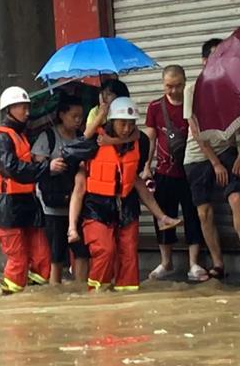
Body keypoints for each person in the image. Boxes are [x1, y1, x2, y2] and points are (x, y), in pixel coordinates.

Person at [67, 97, 182, 291]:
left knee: (129, 254)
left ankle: (127, 298)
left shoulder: (140, 142)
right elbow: (70, 155)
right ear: (111, 121)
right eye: (122, 123)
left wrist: (161, 216)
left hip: (126, 205)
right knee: (105, 250)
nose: (127, 128)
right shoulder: (95, 141)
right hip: (97, 205)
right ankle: (96, 295)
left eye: (131, 124)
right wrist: (72, 227)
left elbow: (136, 180)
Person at [184, 39, 240, 280]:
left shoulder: (233, 85)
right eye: (216, 57)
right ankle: (218, 263)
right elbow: (195, 130)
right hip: (198, 155)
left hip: (228, 150)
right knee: (204, 212)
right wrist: (214, 162)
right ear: (205, 61)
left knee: (237, 198)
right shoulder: (192, 89)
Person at [0, 87, 66, 294]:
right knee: (18, 259)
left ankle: (30, 303)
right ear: (10, 109)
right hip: (8, 204)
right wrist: (45, 167)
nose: (27, 112)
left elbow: (24, 166)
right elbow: (11, 168)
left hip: (27, 202)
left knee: (42, 259)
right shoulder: (1, 138)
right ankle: (11, 303)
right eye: (22, 107)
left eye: (27, 107)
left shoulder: (20, 135)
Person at [142, 65, 208, 282]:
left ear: (184, 82)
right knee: (163, 216)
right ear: (163, 85)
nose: (173, 91)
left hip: (192, 169)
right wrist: (146, 167)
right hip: (164, 171)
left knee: (193, 216)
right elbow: (150, 139)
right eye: (169, 86)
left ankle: (194, 264)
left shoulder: (195, 103)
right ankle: (166, 262)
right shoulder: (154, 107)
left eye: (178, 85)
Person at [31, 96, 86, 284]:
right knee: (56, 252)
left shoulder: (81, 138)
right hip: (52, 204)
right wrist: (51, 165)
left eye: (81, 116)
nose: (78, 120)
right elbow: (37, 161)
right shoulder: (48, 137)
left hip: (75, 201)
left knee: (81, 249)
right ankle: (55, 287)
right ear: (62, 115)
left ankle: (80, 286)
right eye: (74, 116)